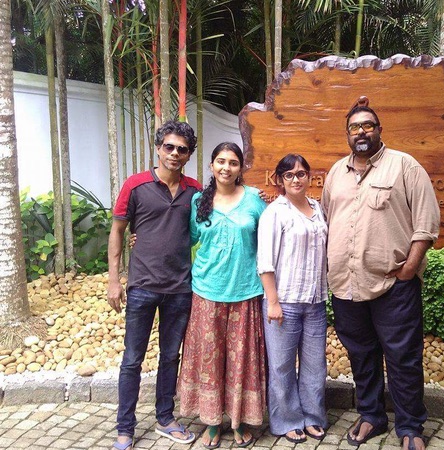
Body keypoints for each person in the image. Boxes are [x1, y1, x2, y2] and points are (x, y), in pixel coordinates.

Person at [321, 97, 440, 450]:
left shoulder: (404, 166)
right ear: (347, 134)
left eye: (367, 126)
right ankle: (371, 415)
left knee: (403, 357)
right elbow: (328, 220)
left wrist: (408, 270)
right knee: (361, 354)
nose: (361, 132)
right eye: (355, 127)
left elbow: (426, 225)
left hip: (393, 285)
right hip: (346, 286)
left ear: (378, 130)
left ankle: (410, 427)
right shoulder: (335, 173)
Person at [107, 120, 199, 450]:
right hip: (143, 286)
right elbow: (118, 231)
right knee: (132, 358)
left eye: (182, 149)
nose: (175, 154)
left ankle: (165, 418)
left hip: (180, 288)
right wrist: (114, 280)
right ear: (158, 148)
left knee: (170, 356)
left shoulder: (195, 190)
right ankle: (125, 427)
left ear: (189, 155)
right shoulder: (135, 185)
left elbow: (218, 219)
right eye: (169, 147)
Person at [177, 142, 267, 449]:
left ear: (240, 168)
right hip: (207, 292)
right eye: (220, 161)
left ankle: (239, 420)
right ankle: (212, 423)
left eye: (232, 162)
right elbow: (185, 238)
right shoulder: (199, 201)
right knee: (210, 361)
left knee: (241, 361)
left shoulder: (255, 200)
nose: (226, 168)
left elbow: (269, 239)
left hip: (245, 292)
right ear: (212, 166)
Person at [257, 154, 329, 443]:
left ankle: (312, 416)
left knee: (315, 364)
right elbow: (265, 261)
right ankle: (287, 419)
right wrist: (272, 302)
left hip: (315, 301)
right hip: (283, 302)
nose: (296, 179)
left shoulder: (318, 208)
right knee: (282, 365)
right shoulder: (275, 212)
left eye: (301, 173)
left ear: (309, 177)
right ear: (280, 180)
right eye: (289, 175)